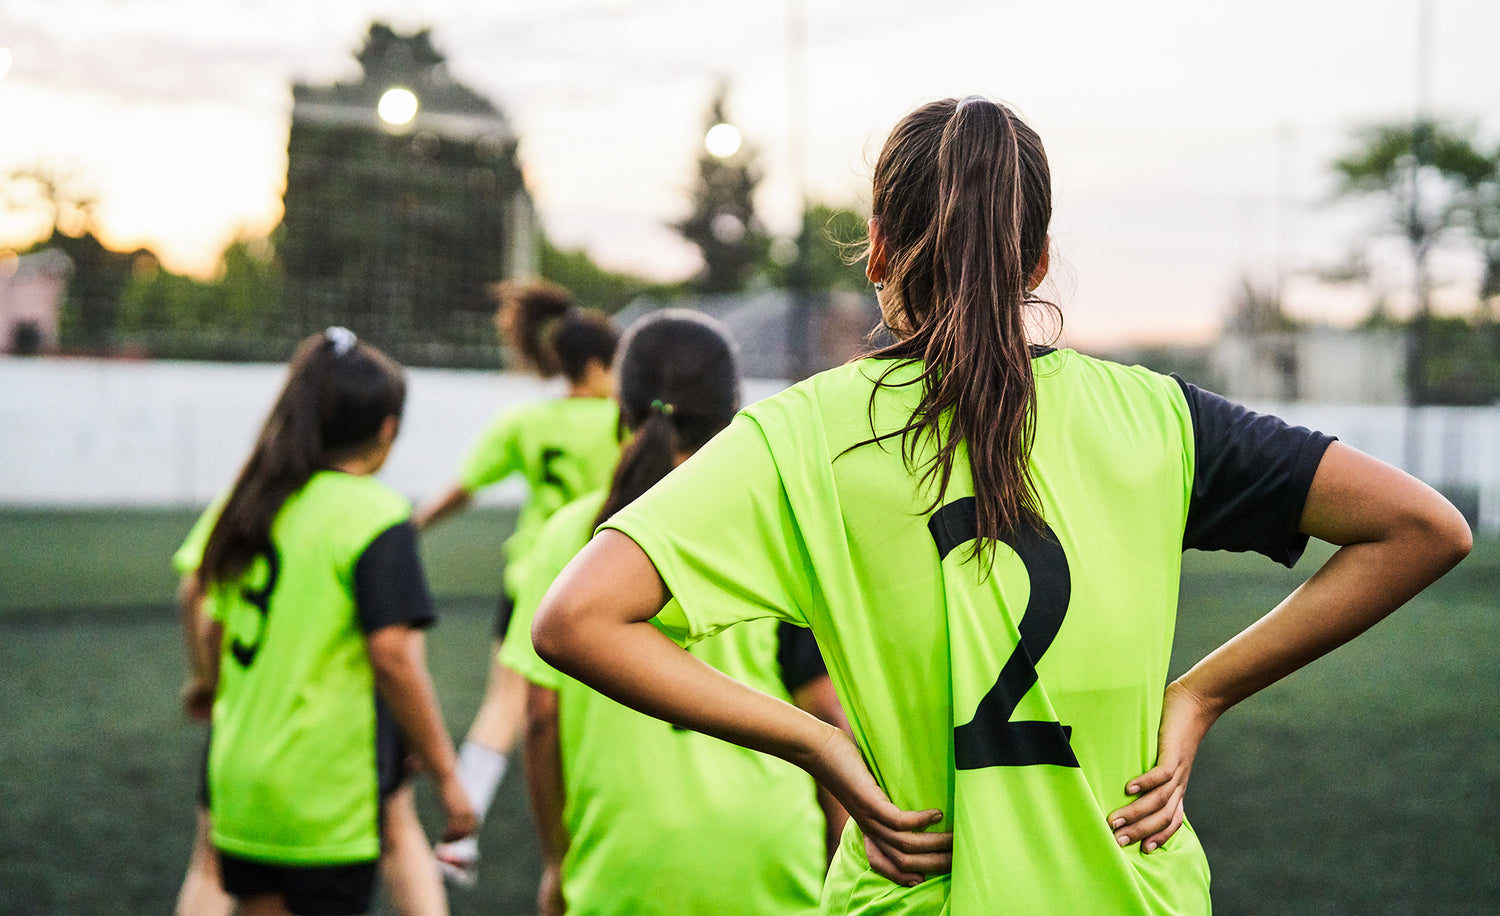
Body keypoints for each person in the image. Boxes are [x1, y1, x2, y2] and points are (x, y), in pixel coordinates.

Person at [528, 96, 1473, 915]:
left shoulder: (801, 435)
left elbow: (576, 621)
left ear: (880, 253)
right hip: (1131, 890)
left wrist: (819, 746)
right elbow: (1423, 527)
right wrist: (1201, 695)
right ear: (1038, 261)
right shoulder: (1159, 418)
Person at [500, 310, 850, 916]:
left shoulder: (569, 538)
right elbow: (821, 705)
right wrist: (845, 842)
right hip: (764, 850)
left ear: (623, 411)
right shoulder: (771, 527)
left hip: (623, 858)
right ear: (732, 417)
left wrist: (558, 861)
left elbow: (539, 717)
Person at [195, 328, 476, 916]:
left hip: (241, 784)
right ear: (387, 430)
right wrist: (449, 776)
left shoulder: (256, 503)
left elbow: (207, 621)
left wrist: (210, 688)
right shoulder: (376, 514)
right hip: (322, 793)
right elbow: (394, 658)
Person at [413, 282, 622, 883]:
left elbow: (464, 486)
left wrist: (413, 525)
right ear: (595, 365)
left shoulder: (526, 423)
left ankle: (460, 836)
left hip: (531, 578)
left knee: (506, 705)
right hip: (606, 585)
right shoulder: (629, 421)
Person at [171, 517, 454, 916]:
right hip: (345, 713)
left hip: (251, 706)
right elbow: (397, 643)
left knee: (211, 863)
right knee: (399, 832)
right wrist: (427, 747)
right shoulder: (363, 508)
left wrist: (207, 681)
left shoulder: (247, 497)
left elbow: (194, 593)